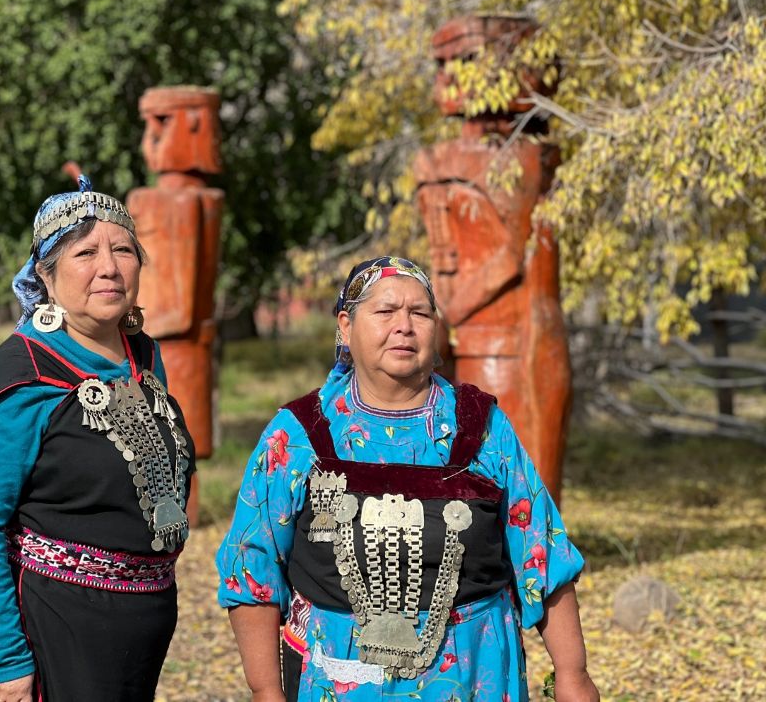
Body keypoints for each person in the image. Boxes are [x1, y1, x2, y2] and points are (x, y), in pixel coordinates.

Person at [215, 256, 598, 701]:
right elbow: (252, 567)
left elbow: (541, 554)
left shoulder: (482, 427)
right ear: (345, 326)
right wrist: (266, 691)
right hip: (338, 681)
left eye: (420, 312)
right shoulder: (299, 434)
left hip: (476, 673)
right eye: (385, 311)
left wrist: (573, 673)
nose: (404, 326)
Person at [0, 175, 195, 702]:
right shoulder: (20, 376)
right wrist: (2, 662)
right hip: (52, 633)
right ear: (46, 274)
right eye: (85, 252)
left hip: (138, 637)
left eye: (124, 250)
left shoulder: (144, 358)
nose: (109, 266)